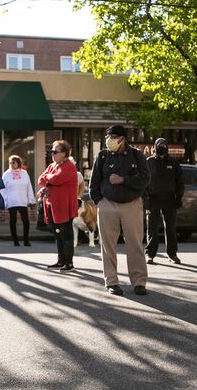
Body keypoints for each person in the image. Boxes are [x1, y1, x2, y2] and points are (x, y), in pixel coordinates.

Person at [89, 124, 150, 296]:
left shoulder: (137, 156)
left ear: (123, 139)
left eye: (113, 137)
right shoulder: (102, 156)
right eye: (108, 137)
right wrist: (99, 201)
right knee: (108, 246)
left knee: (135, 244)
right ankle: (112, 281)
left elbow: (145, 179)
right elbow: (94, 182)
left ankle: (139, 282)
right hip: (107, 204)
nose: (109, 141)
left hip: (131, 204)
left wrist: (123, 179)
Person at [37, 140, 78, 272]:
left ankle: (69, 263)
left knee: (66, 235)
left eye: (55, 152)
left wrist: (49, 179)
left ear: (64, 154)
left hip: (63, 206)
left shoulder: (69, 166)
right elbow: (40, 180)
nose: (52, 154)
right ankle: (61, 261)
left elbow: (57, 179)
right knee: (57, 234)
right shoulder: (52, 166)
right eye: (51, 151)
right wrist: (50, 179)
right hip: (52, 206)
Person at [144, 138, 183, 264]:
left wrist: (178, 197)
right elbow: (143, 182)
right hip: (153, 200)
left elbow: (180, 182)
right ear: (155, 147)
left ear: (167, 147)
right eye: (159, 145)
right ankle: (150, 254)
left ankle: (172, 254)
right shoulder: (149, 162)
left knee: (170, 228)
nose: (162, 147)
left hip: (169, 200)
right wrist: (146, 199)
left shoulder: (174, 162)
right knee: (152, 228)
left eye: (164, 145)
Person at [0, 154, 35, 246]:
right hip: (11, 201)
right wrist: (5, 200)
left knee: (26, 221)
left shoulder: (24, 173)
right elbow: (2, 189)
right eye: (10, 162)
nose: (12, 164)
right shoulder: (6, 174)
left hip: (22, 200)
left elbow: (29, 187)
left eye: (13, 162)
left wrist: (31, 200)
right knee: (13, 220)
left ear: (18, 163)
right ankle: (15, 240)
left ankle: (26, 240)